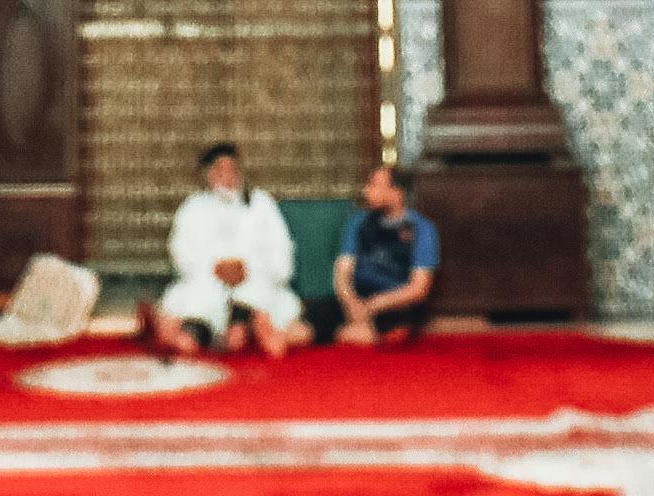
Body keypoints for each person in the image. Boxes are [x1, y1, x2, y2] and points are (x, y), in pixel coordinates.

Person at [151, 142, 296, 356]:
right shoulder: (193, 206)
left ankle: (243, 329)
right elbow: (180, 251)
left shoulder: (261, 203)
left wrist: (247, 269)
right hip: (206, 284)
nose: (227, 176)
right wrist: (214, 269)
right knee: (183, 338)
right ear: (208, 175)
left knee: (253, 337)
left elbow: (281, 249)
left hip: (254, 283)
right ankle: (197, 331)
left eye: (232, 170)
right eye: (220, 170)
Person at [323, 156, 442, 346]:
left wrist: (373, 306)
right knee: (303, 327)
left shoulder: (421, 228)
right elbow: (342, 273)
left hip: (391, 302)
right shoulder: (358, 222)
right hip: (355, 298)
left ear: (397, 192)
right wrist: (352, 302)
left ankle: (352, 334)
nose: (366, 191)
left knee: (396, 331)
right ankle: (352, 332)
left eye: (374, 186)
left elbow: (419, 288)